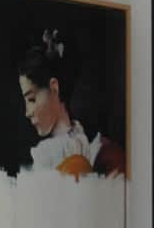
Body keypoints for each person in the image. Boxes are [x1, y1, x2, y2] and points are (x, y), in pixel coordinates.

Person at [17, 29, 125, 178]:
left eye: (31, 99)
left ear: (54, 88)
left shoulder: (95, 149)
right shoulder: (77, 144)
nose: (27, 112)